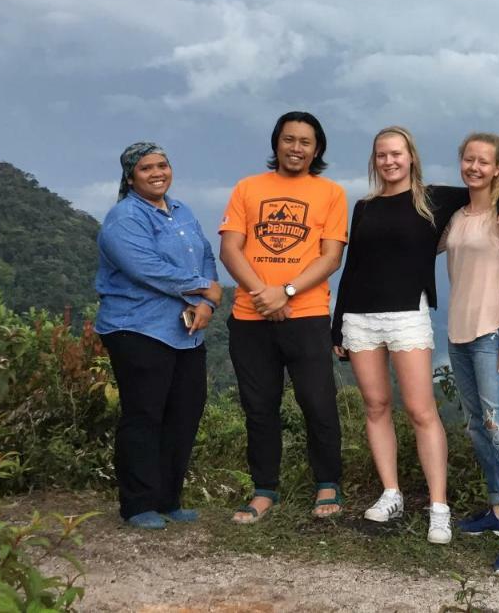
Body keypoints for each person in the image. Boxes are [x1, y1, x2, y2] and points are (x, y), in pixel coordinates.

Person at [331, 126, 499, 544]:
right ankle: (391, 493)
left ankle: (438, 506)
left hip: (407, 315)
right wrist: (337, 322)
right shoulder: (363, 207)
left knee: (421, 410)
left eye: (396, 153)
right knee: (376, 405)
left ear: (411, 156)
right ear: (374, 160)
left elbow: (484, 186)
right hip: (360, 317)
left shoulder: (434, 198)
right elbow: (352, 267)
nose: (389, 161)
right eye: (381, 155)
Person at [219, 112, 348, 522]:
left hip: (307, 314)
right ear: (276, 144)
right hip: (250, 315)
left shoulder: (330, 193)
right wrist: (264, 295)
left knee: (318, 403)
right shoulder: (247, 188)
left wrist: (286, 291)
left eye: (305, 142)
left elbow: (331, 256)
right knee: (259, 406)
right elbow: (230, 249)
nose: (296, 148)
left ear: (317, 149)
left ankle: (328, 483)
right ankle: (263, 489)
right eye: (289, 139)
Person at [95, 142, 221, 530]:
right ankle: (138, 503)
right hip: (136, 327)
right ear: (131, 176)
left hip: (185, 330)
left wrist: (207, 304)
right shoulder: (124, 218)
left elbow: (204, 255)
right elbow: (146, 268)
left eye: (162, 165)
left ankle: (169, 498)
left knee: (184, 411)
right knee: (144, 414)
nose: (156, 173)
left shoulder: (182, 211)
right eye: (146, 168)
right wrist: (202, 287)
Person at [442, 132, 499, 576]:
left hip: (492, 334)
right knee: (478, 427)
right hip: (458, 335)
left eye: (484, 162)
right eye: (468, 159)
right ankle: (498, 511)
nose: (474, 167)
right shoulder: (457, 217)